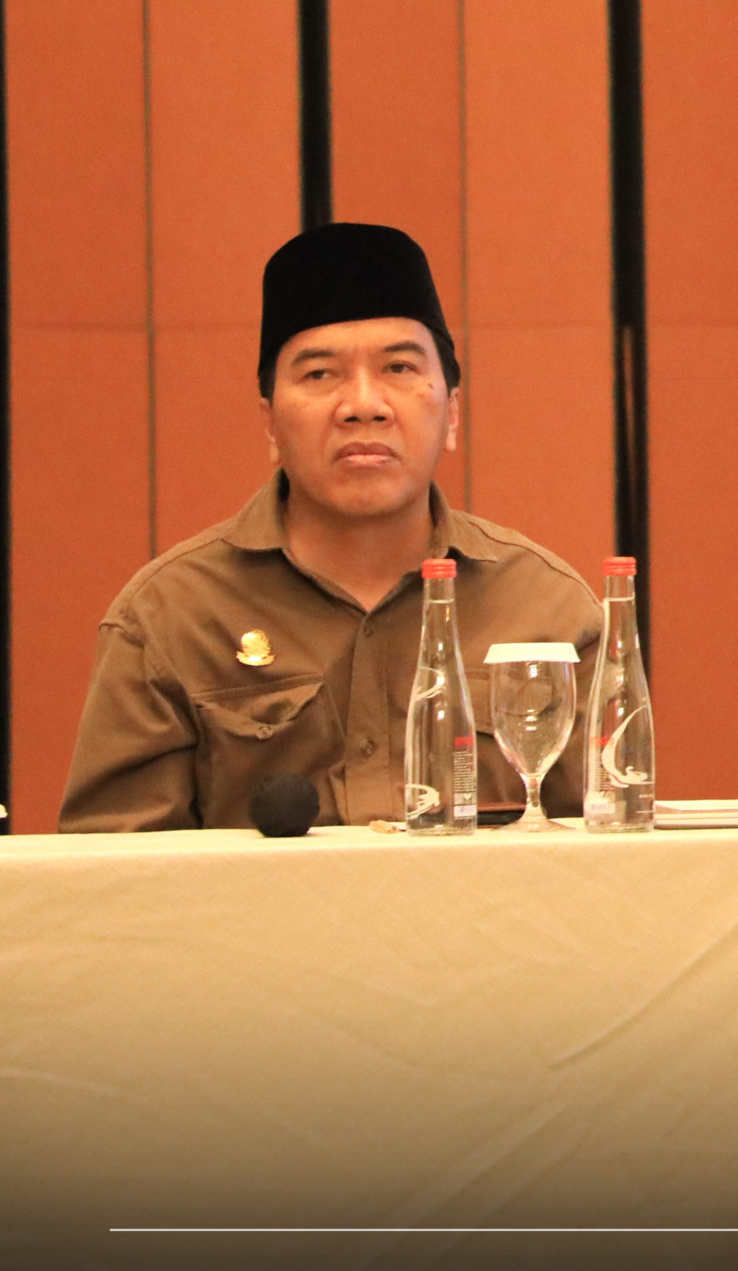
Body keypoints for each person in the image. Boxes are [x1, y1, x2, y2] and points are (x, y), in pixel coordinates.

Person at [60, 223, 601, 831]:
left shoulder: (548, 611)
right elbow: (114, 872)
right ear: (270, 422)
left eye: (399, 367)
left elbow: (613, 858)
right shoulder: (171, 618)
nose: (363, 405)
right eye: (320, 375)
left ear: (451, 414)